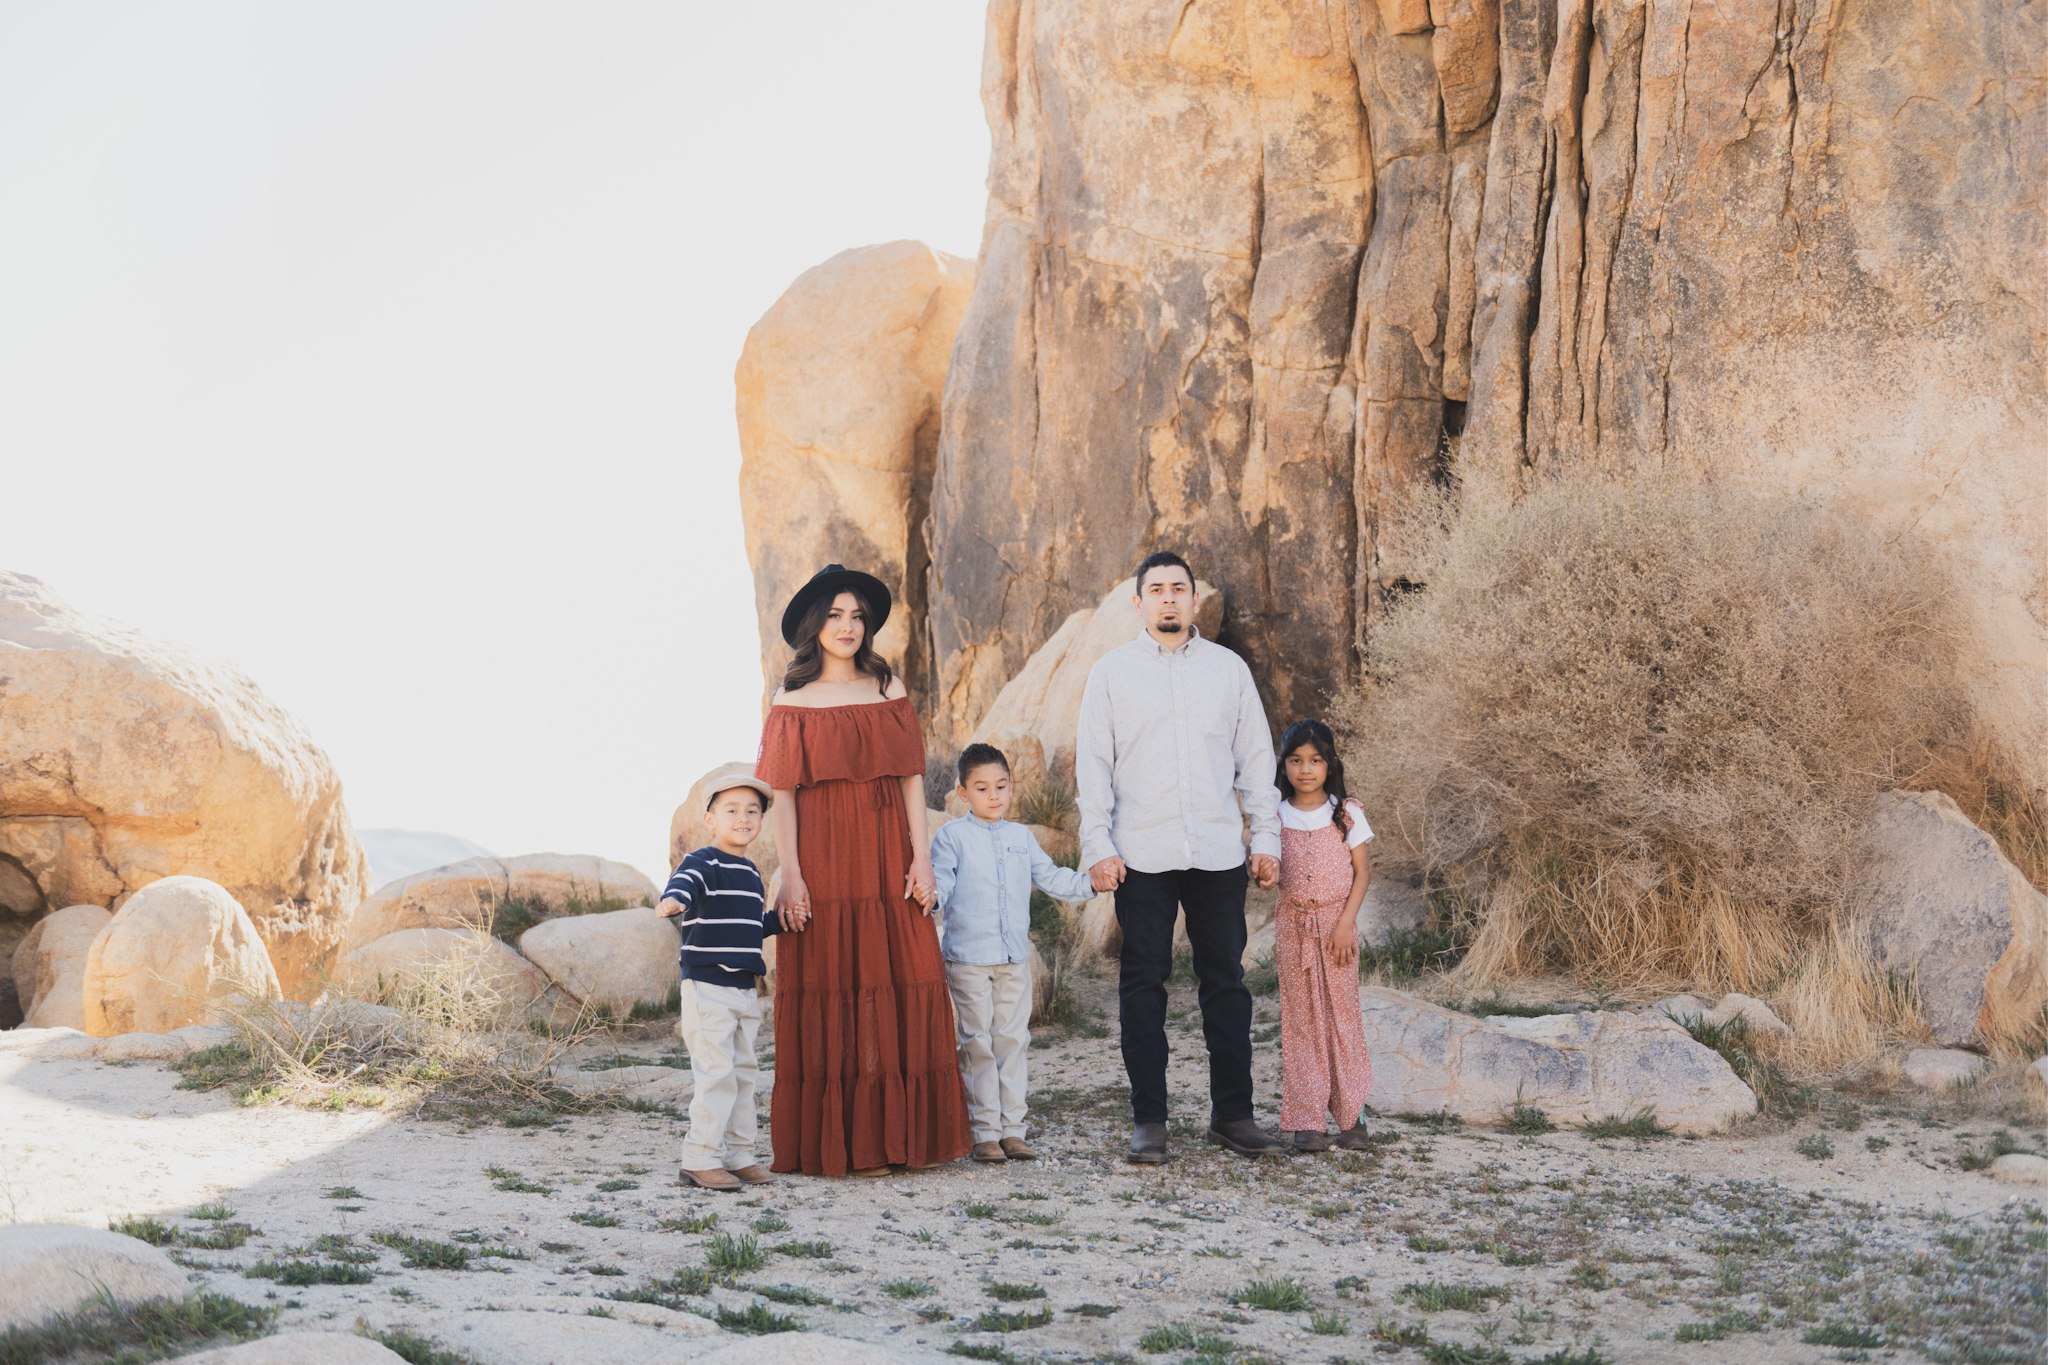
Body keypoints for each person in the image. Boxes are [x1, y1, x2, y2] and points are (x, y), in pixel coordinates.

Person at [755, 564, 972, 1176]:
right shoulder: (790, 699)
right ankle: (846, 1144)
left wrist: (921, 859)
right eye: (834, 615)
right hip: (822, 858)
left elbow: (909, 781)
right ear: (813, 624)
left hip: (885, 855)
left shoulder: (888, 688)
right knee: (832, 982)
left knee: (904, 977)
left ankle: (901, 1138)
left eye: (856, 616)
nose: (847, 626)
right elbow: (786, 796)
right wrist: (790, 873)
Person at [1076, 549, 1287, 1163]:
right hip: (1140, 853)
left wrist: (1265, 841)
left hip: (1218, 851)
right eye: (1156, 589)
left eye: (1179, 589)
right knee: (1143, 984)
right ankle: (1150, 1122)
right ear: (1137, 603)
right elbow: (1095, 770)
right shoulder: (1110, 674)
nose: (1168, 598)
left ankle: (1234, 1117)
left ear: (1196, 601)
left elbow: (1255, 764)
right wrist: (1099, 848)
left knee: (1225, 983)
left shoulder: (1228, 671)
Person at [930, 743, 1096, 1164]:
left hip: (1013, 959)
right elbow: (941, 886)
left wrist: (1092, 884)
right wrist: (928, 900)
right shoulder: (950, 837)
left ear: (1011, 787)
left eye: (1001, 786)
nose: (994, 796)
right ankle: (985, 1132)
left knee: (1013, 1041)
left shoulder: (1021, 836)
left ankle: (1014, 1131)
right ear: (963, 793)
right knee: (977, 1043)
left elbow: (1053, 878)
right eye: (982, 788)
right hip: (967, 958)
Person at [657, 774, 801, 1191]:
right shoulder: (703, 861)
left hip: (743, 989)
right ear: (709, 819)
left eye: (752, 811)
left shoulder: (751, 872)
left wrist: (783, 921)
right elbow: (685, 884)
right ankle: (700, 1157)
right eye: (732, 810)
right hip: (707, 988)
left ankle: (738, 1155)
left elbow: (750, 926)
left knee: (743, 1074)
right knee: (716, 1073)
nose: (744, 818)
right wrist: (675, 900)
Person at [1272, 718, 1376, 1152]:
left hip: (1338, 929)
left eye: (1315, 760)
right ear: (1284, 766)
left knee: (1342, 1017)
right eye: (1296, 760)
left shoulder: (1346, 811)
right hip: (1293, 927)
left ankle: (1353, 1116)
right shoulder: (1274, 814)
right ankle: (1308, 1118)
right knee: (1301, 1021)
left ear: (1330, 763)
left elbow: (1363, 872)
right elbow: (1267, 868)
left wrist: (1346, 924)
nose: (1306, 769)